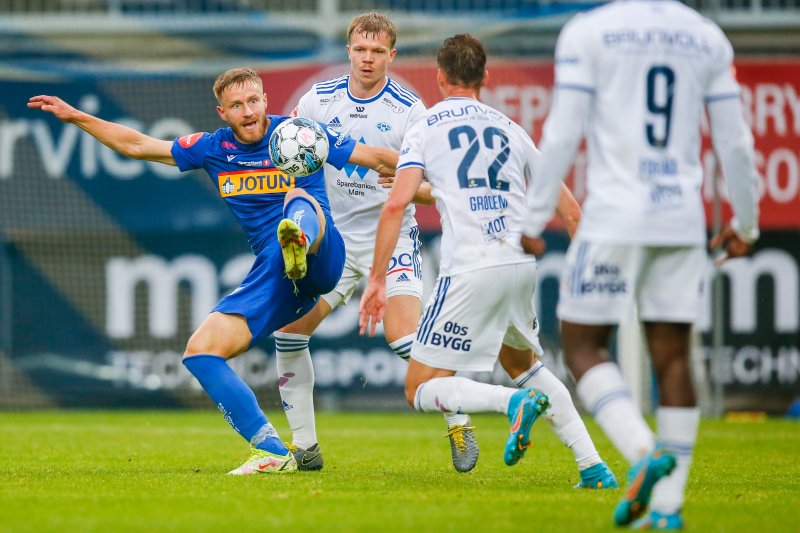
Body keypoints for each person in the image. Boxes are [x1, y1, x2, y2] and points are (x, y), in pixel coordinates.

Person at [28, 68, 398, 475]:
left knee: (299, 197)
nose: (248, 110)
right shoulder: (212, 149)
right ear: (222, 112)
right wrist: (78, 116)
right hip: (278, 276)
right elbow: (137, 145)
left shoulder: (300, 134)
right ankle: (273, 451)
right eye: (237, 105)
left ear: (265, 101)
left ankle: (297, 237)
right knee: (200, 353)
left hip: (324, 255)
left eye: (254, 101)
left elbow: (377, 157)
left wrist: (440, 180)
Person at [521, 1, 760, 529]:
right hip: (679, 219)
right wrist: (746, 223)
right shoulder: (705, 35)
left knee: (582, 343)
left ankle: (642, 449)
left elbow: (562, 133)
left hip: (613, 216)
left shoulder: (591, 31)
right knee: (673, 356)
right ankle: (669, 512)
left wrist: (534, 216)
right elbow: (735, 143)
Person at [360, 33, 599, 474]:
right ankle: (593, 466)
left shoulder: (426, 125)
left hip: (470, 268)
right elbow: (571, 211)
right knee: (525, 365)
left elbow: (397, 203)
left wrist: (376, 279)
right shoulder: (510, 127)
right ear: (485, 77)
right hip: (519, 266)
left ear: (439, 77)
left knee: (418, 389)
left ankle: (513, 403)